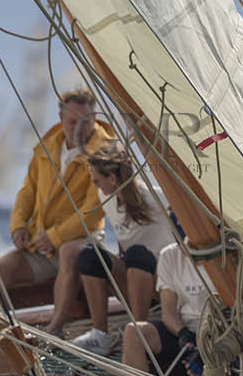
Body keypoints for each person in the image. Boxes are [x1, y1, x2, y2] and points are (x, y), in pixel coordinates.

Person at [0, 88, 110, 335]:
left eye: (86, 122)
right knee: (2, 268)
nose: (80, 128)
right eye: (72, 122)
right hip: (42, 244)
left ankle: (56, 327)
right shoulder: (46, 148)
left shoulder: (105, 153)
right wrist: (19, 226)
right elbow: (27, 192)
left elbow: (94, 210)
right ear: (61, 121)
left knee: (68, 252)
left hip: (82, 240)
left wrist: (55, 237)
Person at [70, 145, 176, 354]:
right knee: (90, 256)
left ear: (112, 178)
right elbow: (123, 238)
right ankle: (100, 335)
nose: (96, 187)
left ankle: (139, 332)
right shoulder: (105, 197)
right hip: (134, 279)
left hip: (163, 284)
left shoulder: (156, 197)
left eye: (97, 181)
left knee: (137, 254)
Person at [118, 241, 216, 376]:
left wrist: (204, 346)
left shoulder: (224, 256)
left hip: (217, 337)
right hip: (184, 332)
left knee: (200, 373)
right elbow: (168, 312)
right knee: (134, 331)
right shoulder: (170, 255)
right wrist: (183, 336)